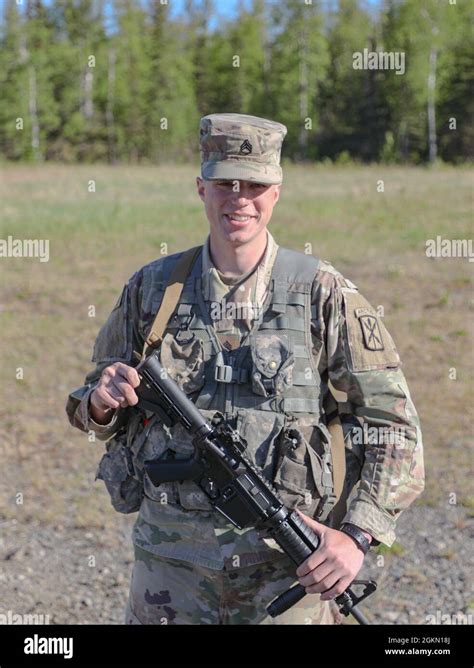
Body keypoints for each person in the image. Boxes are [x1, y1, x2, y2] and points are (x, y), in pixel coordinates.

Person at [66, 113, 425, 625]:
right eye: (224, 183)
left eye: (255, 184)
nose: (240, 198)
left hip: (287, 578)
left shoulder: (323, 294)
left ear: (276, 191)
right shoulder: (152, 290)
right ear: (201, 188)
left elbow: (393, 425)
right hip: (169, 579)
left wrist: (356, 535)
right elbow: (87, 406)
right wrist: (100, 401)